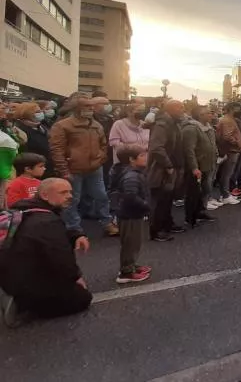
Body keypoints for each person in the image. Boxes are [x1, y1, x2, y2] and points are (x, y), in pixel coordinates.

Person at [0, 178, 92, 321]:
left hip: (10, 274)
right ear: (44, 196)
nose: (70, 196)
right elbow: (61, 258)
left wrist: (76, 235)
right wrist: (76, 278)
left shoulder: (24, 209)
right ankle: (24, 306)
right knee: (82, 297)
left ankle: (16, 295)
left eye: (70, 192)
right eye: (63, 193)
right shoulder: (47, 221)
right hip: (28, 282)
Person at [48, 94, 118, 237]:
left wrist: (100, 158)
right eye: (87, 106)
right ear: (76, 108)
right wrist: (64, 170)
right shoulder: (63, 125)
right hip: (73, 169)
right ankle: (74, 227)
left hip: (95, 168)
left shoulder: (95, 125)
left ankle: (106, 223)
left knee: (101, 196)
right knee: (72, 199)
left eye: (92, 106)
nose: (90, 109)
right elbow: (56, 149)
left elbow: (104, 145)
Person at [109, 145, 152, 284]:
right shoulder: (131, 176)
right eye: (141, 156)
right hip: (130, 215)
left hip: (132, 214)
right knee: (130, 244)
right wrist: (145, 205)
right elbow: (130, 197)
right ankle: (126, 272)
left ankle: (131, 264)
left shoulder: (132, 172)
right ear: (131, 160)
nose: (146, 158)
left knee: (134, 242)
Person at [147, 100, 186, 242]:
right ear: (171, 109)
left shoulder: (173, 124)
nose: (183, 110)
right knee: (159, 200)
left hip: (171, 167)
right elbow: (157, 148)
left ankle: (167, 224)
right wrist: (168, 165)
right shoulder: (162, 125)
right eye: (180, 107)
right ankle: (156, 231)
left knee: (167, 198)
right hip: (161, 169)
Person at [181, 106, 218, 226]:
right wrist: (194, 167)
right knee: (193, 193)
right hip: (197, 166)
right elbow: (189, 150)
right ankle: (190, 217)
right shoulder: (191, 129)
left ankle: (200, 212)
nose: (211, 116)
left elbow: (212, 144)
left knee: (204, 190)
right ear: (200, 115)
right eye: (208, 113)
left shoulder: (208, 127)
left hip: (208, 164)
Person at [12, 102, 55, 178]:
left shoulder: (42, 127)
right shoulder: (19, 130)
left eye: (40, 111)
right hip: (31, 168)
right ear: (27, 114)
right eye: (37, 112)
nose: (41, 113)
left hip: (46, 167)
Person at [216, 103, 241, 205]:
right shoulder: (228, 120)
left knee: (225, 174)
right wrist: (237, 143)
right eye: (238, 108)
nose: (240, 110)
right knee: (226, 174)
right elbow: (227, 136)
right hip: (231, 150)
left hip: (230, 150)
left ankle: (225, 194)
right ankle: (225, 195)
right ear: (231, 109)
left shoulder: (228, 119)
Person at [91, 95, 115, 188]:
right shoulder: (90, 119)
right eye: (105, 104)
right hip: (95, 154)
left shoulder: (109, 118)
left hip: (107, 153)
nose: (108, 106)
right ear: (96, 105)